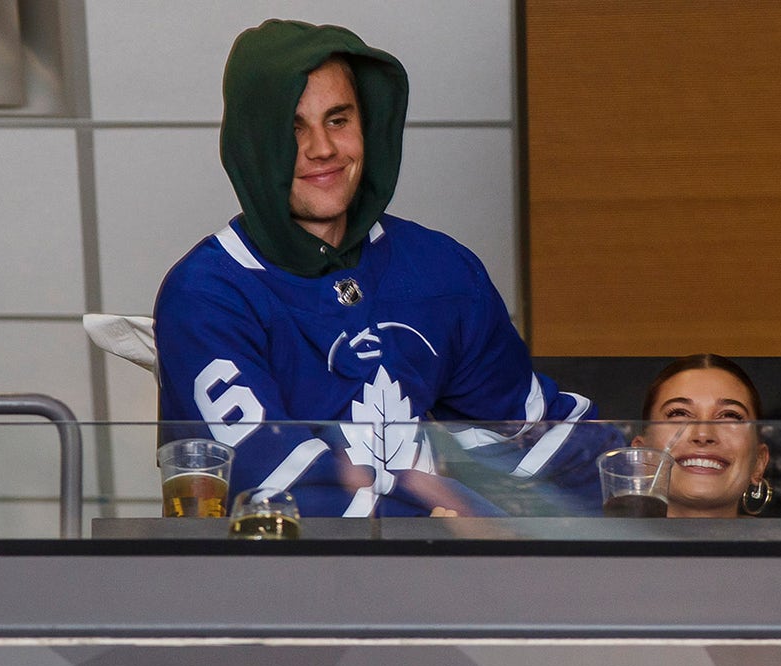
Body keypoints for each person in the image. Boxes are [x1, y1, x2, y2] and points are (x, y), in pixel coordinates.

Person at [153, 19, 599, 517]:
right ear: (252, 145)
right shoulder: (206, 295)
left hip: (459, 580)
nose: (322, 148)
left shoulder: (440, 269)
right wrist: (445, 520)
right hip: (289, 587)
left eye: (338, 120)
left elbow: (546, 440)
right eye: (292, 129)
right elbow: (278, 495)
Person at [632, 354, 771, 517]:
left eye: (730, 415)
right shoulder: (606, 540)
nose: (703, 434)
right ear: (640, 457)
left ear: (759, 463)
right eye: (679, 413)